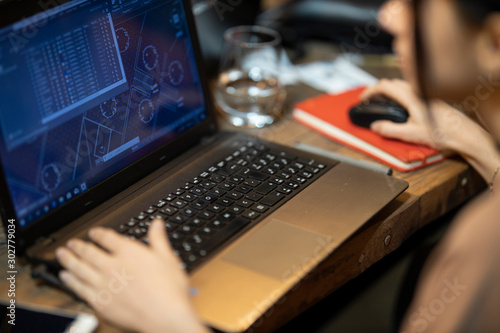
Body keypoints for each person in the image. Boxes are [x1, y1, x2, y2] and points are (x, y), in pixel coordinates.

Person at [55, 0, 500, 332]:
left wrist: (171, 321)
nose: (388, 17)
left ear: (493, 43)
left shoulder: (485, 245)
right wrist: (475, 142)